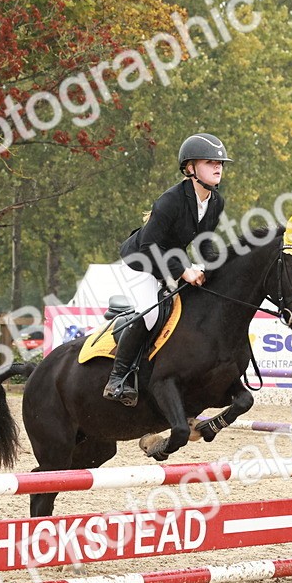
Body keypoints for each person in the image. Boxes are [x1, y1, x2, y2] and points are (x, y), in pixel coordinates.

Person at [103, 133, 232, 406]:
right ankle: (117, 378)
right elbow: (150, 243)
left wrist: (216, 269)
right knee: (150, 315)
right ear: (190, 168)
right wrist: (183, 271)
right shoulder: (170, 200)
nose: (218, 166)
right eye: (210, 162)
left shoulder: (215, 202)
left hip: (169, 262)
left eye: (220, 162)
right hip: (140, 263)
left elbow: (204, 243)